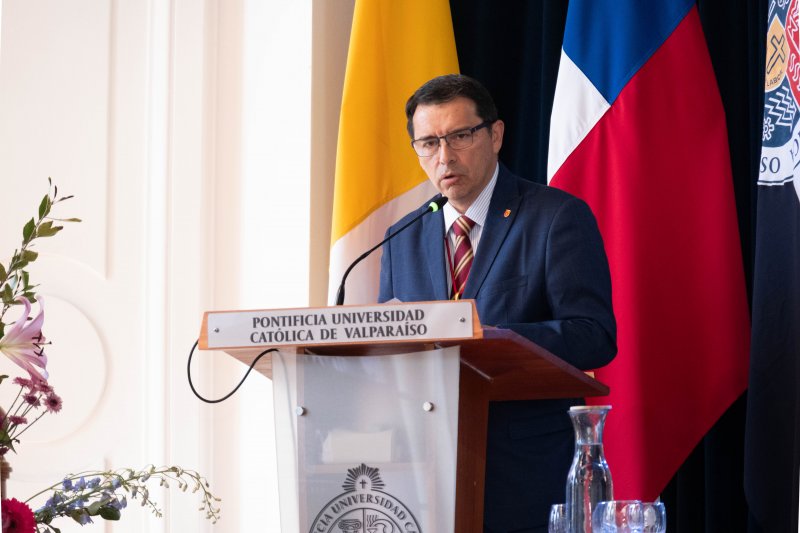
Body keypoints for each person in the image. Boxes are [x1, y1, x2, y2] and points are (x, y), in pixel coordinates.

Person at [378, 74, 617, 532]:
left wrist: (492, 339)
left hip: (525, 471)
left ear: (495, 135)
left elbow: (594, 335)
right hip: (423, 475)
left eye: (460, 136)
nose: (444, 156)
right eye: (428, 143)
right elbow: (393, 350)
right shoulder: (401, 236)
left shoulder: (555, 217)